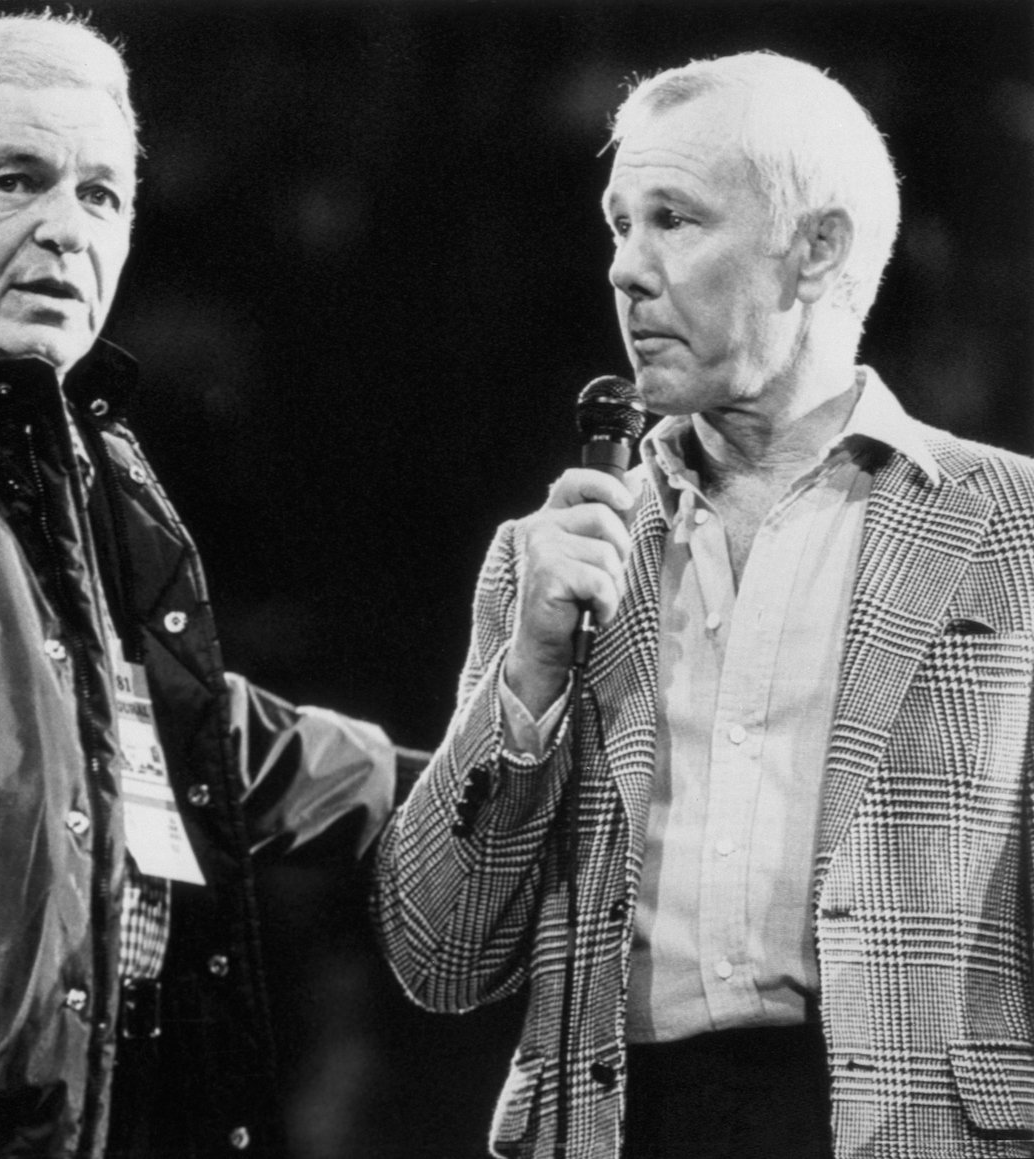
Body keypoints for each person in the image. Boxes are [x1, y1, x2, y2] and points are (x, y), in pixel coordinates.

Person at [0, 13, 402, 1159]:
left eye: (101, 196)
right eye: (16, 181)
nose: (65, 228)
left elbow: (178, 749)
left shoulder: (88, 476)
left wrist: (455, 784)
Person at [376, 50, 1034, 1159]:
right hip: (621, 1125)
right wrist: (526, 678)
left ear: (814, 249)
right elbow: (436, 956)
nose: (623, 271)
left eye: (671, 220)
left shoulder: (1009, 528)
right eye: (616, 224)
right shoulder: (550, 561)